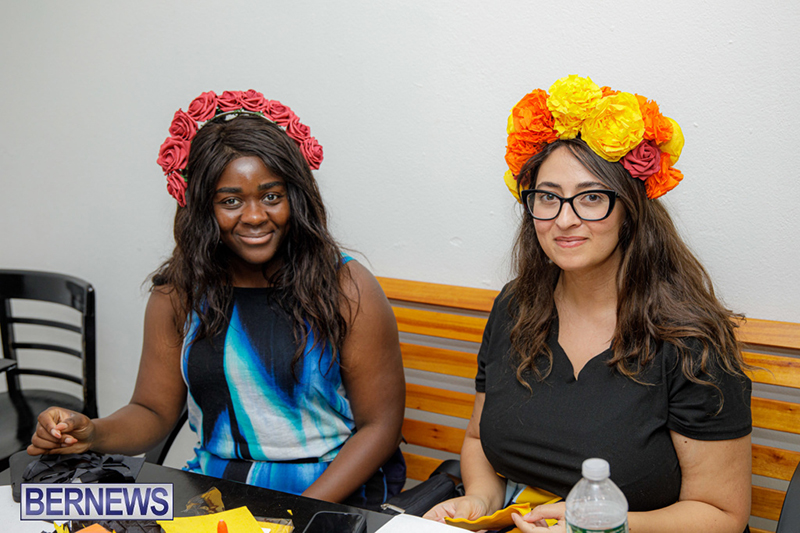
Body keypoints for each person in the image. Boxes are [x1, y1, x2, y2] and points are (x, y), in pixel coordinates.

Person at [28, 90, 406, 508]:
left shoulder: (347, 288)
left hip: (333, 493)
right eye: (230, 201)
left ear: (294, 197)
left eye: (272, 196)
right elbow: (152, 410)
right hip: (217, 493)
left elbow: (380, 427)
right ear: (203, 208)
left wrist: (297, 515)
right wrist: (91, 433)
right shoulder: (178, 293)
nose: (255, 216)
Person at [424, 76, 752, 532]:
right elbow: (480, 437)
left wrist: (598, 525)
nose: (564, 219)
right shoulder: (515, 306)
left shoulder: (689, 340)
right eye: (548, 197)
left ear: (630, 210)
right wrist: (478, 500)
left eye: (592, 198)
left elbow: (722, 516)